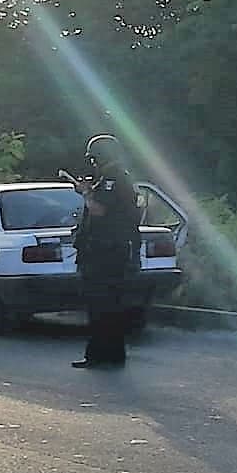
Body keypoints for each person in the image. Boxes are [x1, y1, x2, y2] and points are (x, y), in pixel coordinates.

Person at [71, 134, 141, 368]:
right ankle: (111, 354)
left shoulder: (113, 181)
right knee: (110, 305)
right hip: (111, 251)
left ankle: (100, 355)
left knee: (100, 305)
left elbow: (100, 211)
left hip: (105, 254)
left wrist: (86, 192)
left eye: (94, 159)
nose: (92, 164)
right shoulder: (117, 180)